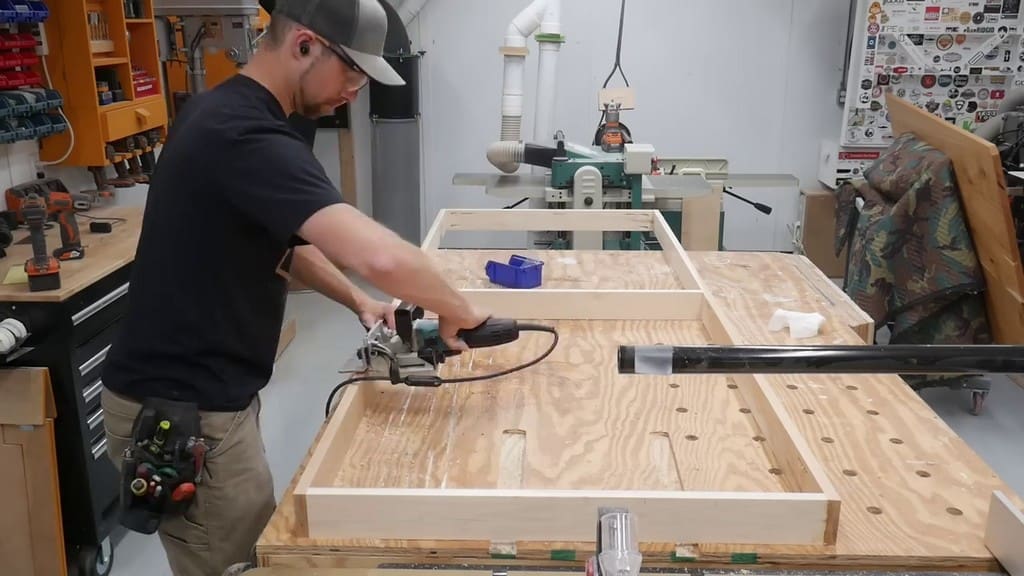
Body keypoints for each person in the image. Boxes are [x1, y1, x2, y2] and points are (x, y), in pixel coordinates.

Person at [99, 0, 489, 574]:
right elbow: (375, 252)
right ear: (305, 45)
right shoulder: (241, 133)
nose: (355, 89)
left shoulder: (229, 113)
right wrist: (462, 313)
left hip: (208, 399)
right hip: (184, 410)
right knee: (232, 561)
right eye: (352, 71)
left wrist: (359, 300)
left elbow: (285, 242)